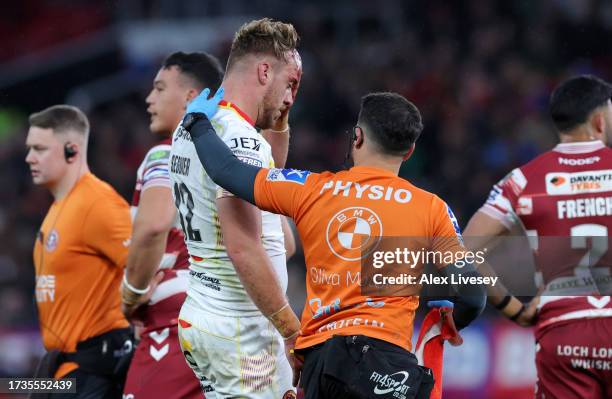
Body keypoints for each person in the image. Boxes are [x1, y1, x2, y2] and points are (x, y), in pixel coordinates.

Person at [181, 89, 487, 399]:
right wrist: (449, 320)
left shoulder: (312, 188)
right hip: (386, 366)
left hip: (321, 364)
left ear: (357, 137)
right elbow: (474, 296)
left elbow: (227, 171)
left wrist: (196, 122)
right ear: (408, 153)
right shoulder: (432, 208)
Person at [169, 19, 301, 398]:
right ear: (264, 71)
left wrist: (281, 119)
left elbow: (266, 185)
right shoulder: (241, 140)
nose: (291, 96)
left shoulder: (197, 124)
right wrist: (292, 331)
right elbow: (242, 246)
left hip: (206, 313)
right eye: (289, 83)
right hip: (241, 328)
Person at [464, 75, 612, 399]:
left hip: (564, 332)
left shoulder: (523, 181)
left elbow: (461, 252)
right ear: (600, 120)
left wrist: (513, 308)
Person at [119, 52, 224, 399]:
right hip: (235, 328)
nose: (149, 99)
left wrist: (130, 298)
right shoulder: (240, 155)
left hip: (174, 323)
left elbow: (153, 226)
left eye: (159, 89)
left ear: (190, 97)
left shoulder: (167, 153)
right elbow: (283, 243)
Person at [26, 105, 134, 398]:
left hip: (93, 372)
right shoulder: (58, 208)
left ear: (72, 150)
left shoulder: (97, 202)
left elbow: (146, 271)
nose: (29, 158)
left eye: (39, 148)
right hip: (60, 372)